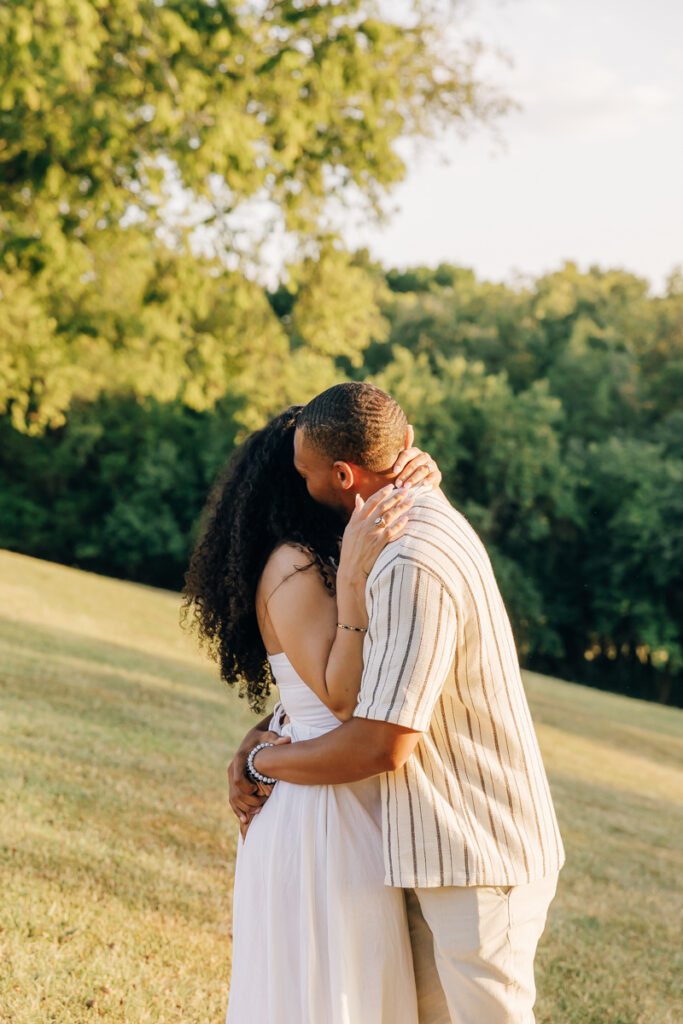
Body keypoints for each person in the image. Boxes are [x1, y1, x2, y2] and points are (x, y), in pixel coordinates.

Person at [231, 382, 565, 1024]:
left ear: (343, 474)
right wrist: (267, 730)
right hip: (431, 847)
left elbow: (382, 740)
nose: (300, 487)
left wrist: (262, 764)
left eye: (307, 474)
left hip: (476, 852)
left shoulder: (409, 556)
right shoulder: (400, 530)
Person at [183, 404, 444, 1024]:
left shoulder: (324, 553)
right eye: (305, 474)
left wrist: (417, 478)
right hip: (317, 814)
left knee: (358, 989)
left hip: (344, 795)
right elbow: (339, 695)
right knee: (323, 995)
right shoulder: (294, 566)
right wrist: (352, 577)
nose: (321, 481)